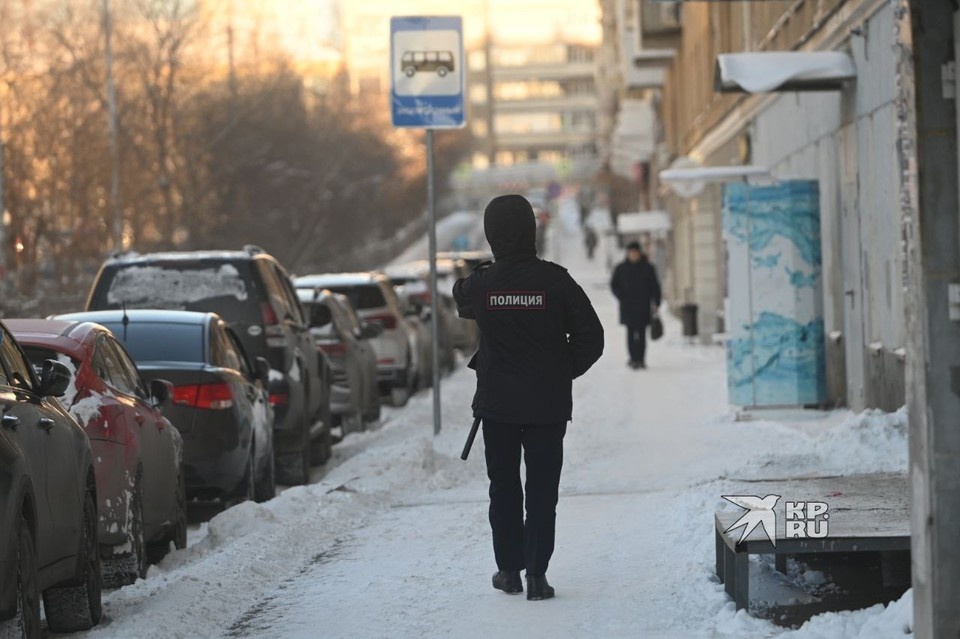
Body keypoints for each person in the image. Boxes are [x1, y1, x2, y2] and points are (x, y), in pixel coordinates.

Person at [453, 194, 604, 601]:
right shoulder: (556, 281)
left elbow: (459, 296)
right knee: (542, 491)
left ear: (491, 234)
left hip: (498, 407)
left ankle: (509, 571)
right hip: (546, 406)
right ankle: (537, 575)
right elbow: (592, 337)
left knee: (503, 488)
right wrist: (559, 371)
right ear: (531, 230)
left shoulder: (482, 285)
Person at [611, 240, 662, 369]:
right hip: (627, 306)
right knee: (630, 333)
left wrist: (656, 301)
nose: (633, 255)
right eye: (631, 252)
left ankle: (641, 359)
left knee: (642, 333)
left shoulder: (648, 268)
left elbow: (655, 286)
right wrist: (621, 296)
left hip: (643, 306)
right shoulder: (621, 268)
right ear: (628, 253)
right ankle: (633, 359)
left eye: (635, 252)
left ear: (639, 253)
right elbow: (614, 285)